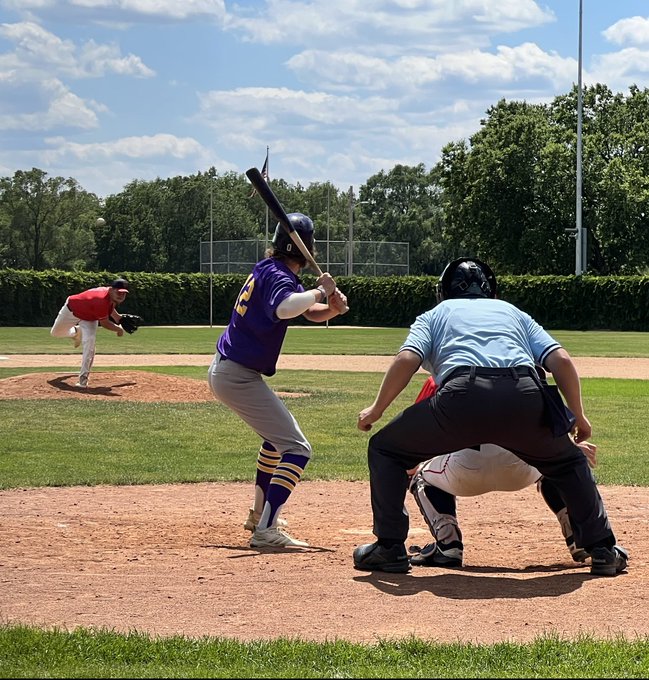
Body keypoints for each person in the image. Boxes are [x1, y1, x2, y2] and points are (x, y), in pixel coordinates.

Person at [353, 257, 628, 577]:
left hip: (461, 397)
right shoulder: (514, 313)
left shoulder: (435, 314)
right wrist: (579, 416)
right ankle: (603, 550)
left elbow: (407, 359)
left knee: (387, 449)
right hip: (526, 395)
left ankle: (390, 548)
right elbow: (561, 361)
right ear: (491, 290)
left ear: (443, 291)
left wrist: (377, 409)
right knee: (567, 462)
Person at [208, 213, 348, 549]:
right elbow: (286, 308)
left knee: (275, 441)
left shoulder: (271, 270)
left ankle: (259, 515)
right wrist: (320, 290)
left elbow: (305, 312)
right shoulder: (278, 276)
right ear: (307, 245)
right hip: (237, 375)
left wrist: (332, 309)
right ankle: (266, 531)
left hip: (232, 371)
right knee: (297, 448)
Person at [406, 375, 593, 568]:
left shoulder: (440, 377)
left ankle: (448, 545)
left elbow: (415, 441)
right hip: (522, 470)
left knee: (421, 475)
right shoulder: (528, 375)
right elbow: (554, 432)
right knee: (557, 464)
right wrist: (572, 449)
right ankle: (578, 538)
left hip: (465, 472)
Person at [50, 278, 130, 388]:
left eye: (124, 293)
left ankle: (83, 379)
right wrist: (119, 329)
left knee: (90, 343)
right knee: (56, 333)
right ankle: (76, 332)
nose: (121, 295)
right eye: (118, 292)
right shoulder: (100, 299)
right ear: (111, 290)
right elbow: (105, 323)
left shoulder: (110, 297)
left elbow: (108, 308)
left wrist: (118, 318)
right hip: (71, 310)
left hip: (89, 318)